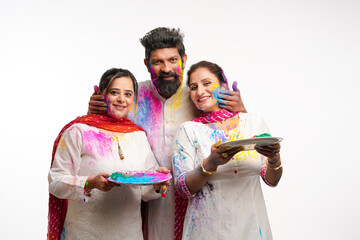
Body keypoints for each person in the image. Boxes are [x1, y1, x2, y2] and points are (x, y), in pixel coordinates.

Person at [88, 28, 247, 240]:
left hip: (199, 196)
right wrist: (94, 114)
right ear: (146, 64)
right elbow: (103, 138)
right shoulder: (132, 96)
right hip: (146, 202)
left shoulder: (199, 95)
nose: (166, 68)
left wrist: (240, 109)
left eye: (173, 60)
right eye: (157, 62)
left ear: (184, 59)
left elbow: (237, 131)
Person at [47, 68, 169, 240]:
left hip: (129, 234)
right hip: (85, 233)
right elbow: (56, 182)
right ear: (100, 94)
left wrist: (158, 184)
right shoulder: (78, 131)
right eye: (114, 92)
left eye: (128, 94)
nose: (121, 99)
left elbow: (144, 190)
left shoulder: (138, 136)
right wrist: (90, 183)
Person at [172, 61, 282, 240]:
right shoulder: (189, 130)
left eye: (207, 83)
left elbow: (272, 181)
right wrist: (210, 163)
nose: (200, 91)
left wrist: (274, 159)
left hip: (253, 228)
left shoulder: (253, 122)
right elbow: (183, 188)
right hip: (206, 230)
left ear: (224, 85)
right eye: (193, 87)